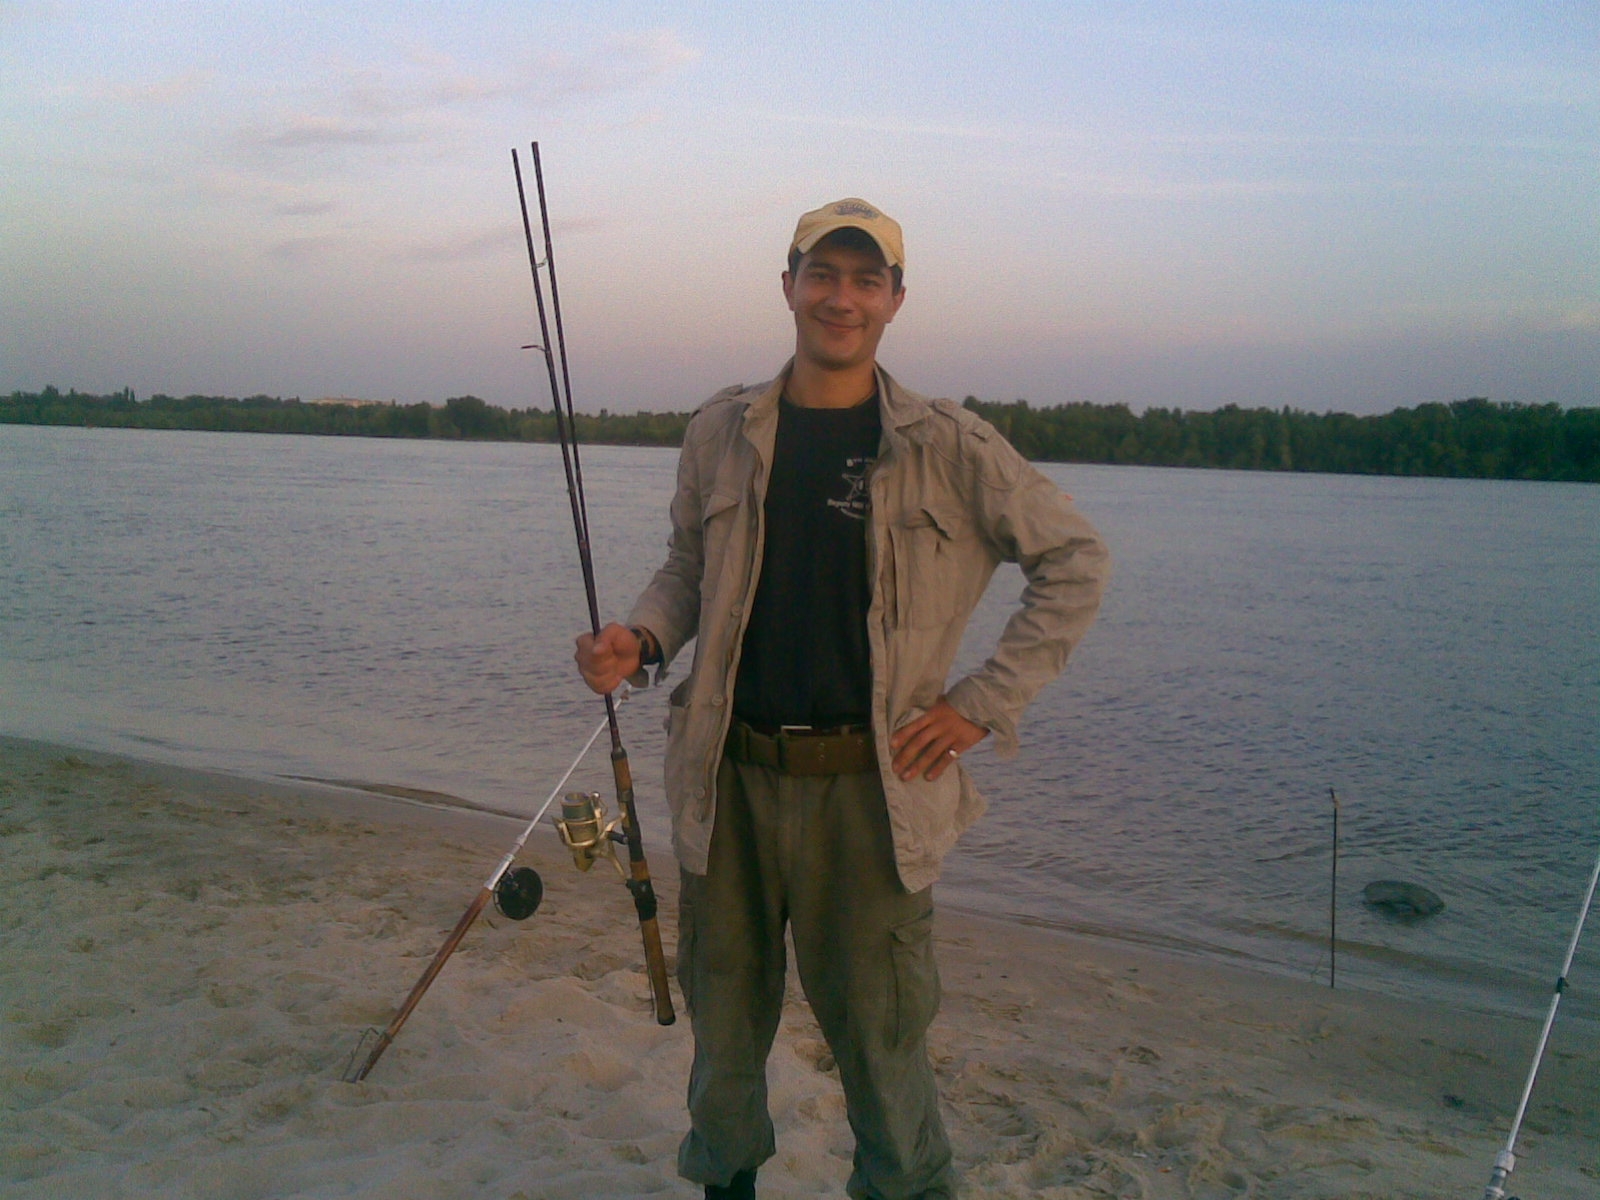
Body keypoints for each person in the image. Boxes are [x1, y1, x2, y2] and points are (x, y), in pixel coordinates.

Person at [575, 198, 1109, 1200]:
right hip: (728, 781)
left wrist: (981, 703)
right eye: (822, 274)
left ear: (896, 300)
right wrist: (638, 638)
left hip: (873, 796)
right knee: (723, 1033)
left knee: (882, 1039)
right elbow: (688, 568)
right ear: (788, 286)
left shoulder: (951, 444)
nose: (842, 297)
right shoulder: (720, 430)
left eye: (867, 279)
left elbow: (1076, 560)